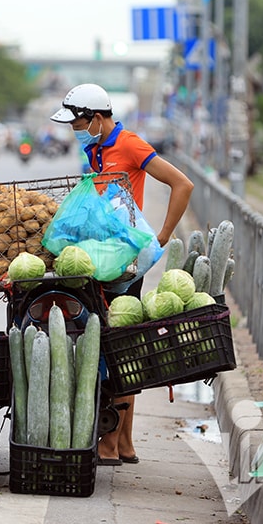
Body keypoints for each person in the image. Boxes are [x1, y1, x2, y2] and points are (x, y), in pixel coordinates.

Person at [50, 83, 194, 467]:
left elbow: (183, 184)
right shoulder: (95, 149)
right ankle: (126, 443)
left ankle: (109, 445)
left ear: (96, 118)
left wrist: (161, 237)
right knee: (119, 344)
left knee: (114, 349)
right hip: (105, 259)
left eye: (77, 121)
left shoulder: (129, 144)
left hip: (126, 264)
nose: (73, 129)